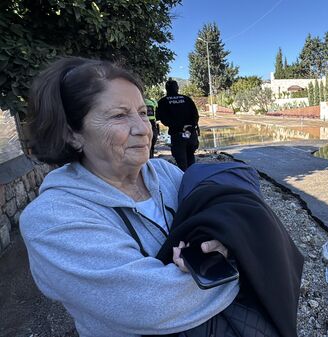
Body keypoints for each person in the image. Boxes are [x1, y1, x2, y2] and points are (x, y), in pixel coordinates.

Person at [20, 57, 238, 337]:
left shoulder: (165, 173)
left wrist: (225, 247)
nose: (143, 128)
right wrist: (243, 262)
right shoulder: (51, 220)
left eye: (142, 112)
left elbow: (222, 224)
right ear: (72, 134)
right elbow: (153, 306)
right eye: (119, 115)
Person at [156, 79, 199, 171]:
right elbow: (195, 115)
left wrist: (177, 125)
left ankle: (184, 181)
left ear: (166, 89)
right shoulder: (187, 99)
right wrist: (189, 126)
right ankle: (193, 179)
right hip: (190, 133)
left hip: (177, 135)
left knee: (181, 162)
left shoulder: (163, 101)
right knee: (191, 156)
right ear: (177, 88)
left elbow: (163, 119)